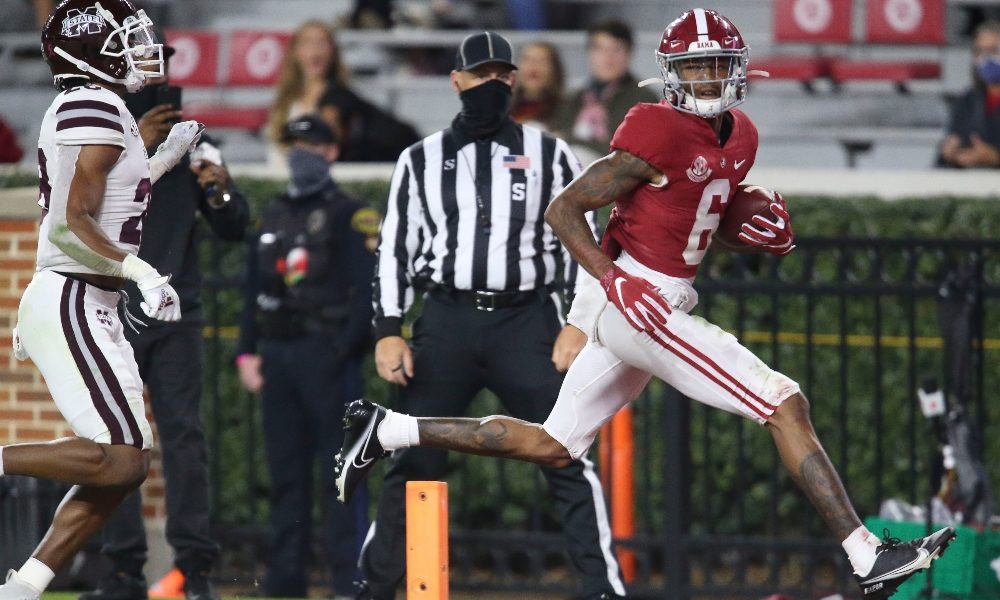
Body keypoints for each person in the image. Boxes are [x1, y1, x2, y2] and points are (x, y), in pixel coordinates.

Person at [335, 11, 957, 600]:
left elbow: (699, 210)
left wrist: (757, 229)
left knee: (556, 444)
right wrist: (612, 282)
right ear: (669, 74)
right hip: (641, 301)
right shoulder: (655, 125)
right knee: (783, 400)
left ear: (737, 69)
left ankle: (387, 429)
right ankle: (865, 555)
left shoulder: (742, 133)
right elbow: (565, 209)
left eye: (716, 65)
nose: (706, 78)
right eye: (694, 67)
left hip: (649, 299)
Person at [340, 31, 625, 600]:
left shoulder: (552, 151)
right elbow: (394, 246)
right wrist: (388, 331)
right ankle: (374, 588)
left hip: (527, 321)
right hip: (446, 320)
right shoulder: (419, 159)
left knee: (566, 452)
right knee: (410, 458)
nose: (491, 85)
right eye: (480, 76)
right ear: (457, 82)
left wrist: (578, 323)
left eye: (500, 75)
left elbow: (584, 244)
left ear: (513, 80)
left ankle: (602, 590)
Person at [0, 2, 203, 599]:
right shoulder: (93, 104)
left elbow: (112, 200)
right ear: (92, 49)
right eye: (127, 37)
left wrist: (162, 159)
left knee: (122, 464)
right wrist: (141, 272)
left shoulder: (99, 106)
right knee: (120, 460)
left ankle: (25, 586)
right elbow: (67, 225)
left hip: (85, 297)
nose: (142, 49)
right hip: (74, 295)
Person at [78, 30, 250, 600]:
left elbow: (233, 226)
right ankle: (122, 573)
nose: (153, 77)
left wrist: (221, 190)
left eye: (160, 66)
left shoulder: (197, 140)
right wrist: (141, 148)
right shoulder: (94, 136)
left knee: (184, 437)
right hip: (110, 307)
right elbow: (80, 215)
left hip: (176, 310)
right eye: (142, 67)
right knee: (115, 441)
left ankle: (195, 572)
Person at [236, 115, 378, 600]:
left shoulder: (350, 213)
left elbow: (366, 293)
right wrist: (246, 352)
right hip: (278, 355)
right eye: (293, 144)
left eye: (311, 145)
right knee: (285, 478)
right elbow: (253, 287)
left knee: (342, 475)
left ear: (331, 152)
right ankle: (284, 584)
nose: (301, 154)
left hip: (328, 355)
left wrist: (344, 351)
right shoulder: (274, 211)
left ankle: (348, 583)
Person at [551, 19, 658, 163]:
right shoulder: (574, 97)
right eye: (599, 49)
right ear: (589, 53)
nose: (608, 57)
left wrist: (571, 141)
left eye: (616, 49)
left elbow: (624, 150)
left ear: (629, 54)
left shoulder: (644, 99)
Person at [265, 20, 349, 166]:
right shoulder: (285, 99)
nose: (315, 51)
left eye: (322, 43)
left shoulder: (341, 99)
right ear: (295, 52)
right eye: (307, 43)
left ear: (333, 52)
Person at [938, 21, 1000, 168]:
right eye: (980, 51)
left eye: (993, 50)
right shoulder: (966, 101)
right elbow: (953, 142)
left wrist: (995, 157)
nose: (986, 58)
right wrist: (948, 153)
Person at [510, 41, 565, 131]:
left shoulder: (567, 111)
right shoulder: (501, 109)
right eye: (527, 59)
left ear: (554, 70)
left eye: (542, 61)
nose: (533, 66)